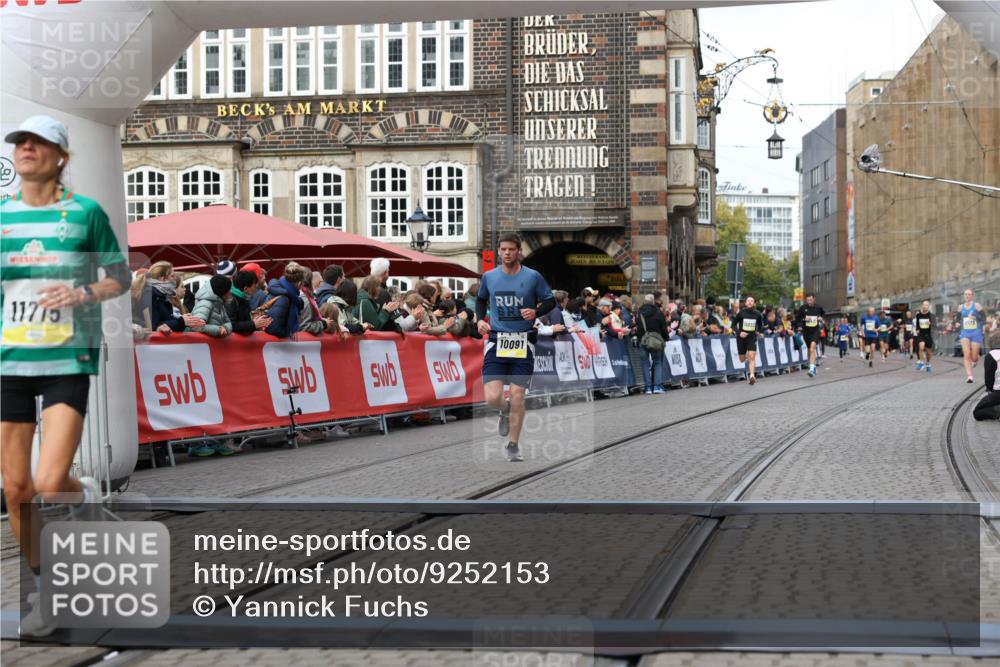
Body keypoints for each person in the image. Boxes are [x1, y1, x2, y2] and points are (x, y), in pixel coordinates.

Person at [1, 115, 133, 637]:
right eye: (19, 142)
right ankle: (48, 593)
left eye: (39, 143)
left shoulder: (85, 213)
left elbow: (119, 277)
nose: (26, 148)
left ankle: (88, 509)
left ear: (61, 157)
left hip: (66, 357)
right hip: (8, 363)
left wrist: (82, 294)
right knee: (15, 491)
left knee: (51, 481)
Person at [476, 232, 555, 463]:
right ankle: (503, 409)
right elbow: (481, 300)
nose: (507, 253)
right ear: (499, 251)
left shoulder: (533, 277)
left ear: (519, 251)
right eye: (503, 249)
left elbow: (549, 300)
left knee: (518, 397)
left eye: (512, 249)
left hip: (523, 343)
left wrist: (536, 311)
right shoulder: (489, 277)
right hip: (497, 341)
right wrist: (480, 320)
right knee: (492, 397)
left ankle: (513, 444)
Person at [263, 262, 307, 339]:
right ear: (299, 283)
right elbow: (274, 328)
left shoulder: (287, 294)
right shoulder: (285, 298)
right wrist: (288, 333)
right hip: (275, 347)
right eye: (303, 282)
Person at [636, 294, 668, 394]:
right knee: (657, 362)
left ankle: (648, 388)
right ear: (653, 302)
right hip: (656, 340)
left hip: (643, 339)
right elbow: (663, 327)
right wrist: (665, 338)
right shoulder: (658, 312)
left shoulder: (640, 312)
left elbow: (638, 327)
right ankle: (657, 386)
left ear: (644, 302)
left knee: (645, 364)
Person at [731, 295, 764, 385]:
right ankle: (749, 361)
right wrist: (739, 333)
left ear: (754, 303)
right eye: (748, 301)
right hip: (741, 338)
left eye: (751, 301)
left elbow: (760, 325)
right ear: (745, 303)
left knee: (752, 356)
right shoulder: (741, 313)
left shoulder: (758, 314)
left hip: (752, 337)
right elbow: (733, 325)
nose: (750, 302)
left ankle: (752, 376)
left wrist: (761, 332)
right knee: (742, 359)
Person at [227, 271, 271, 335]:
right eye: (254, 286)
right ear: (246, 288)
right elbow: (231, 325)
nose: (256, 289)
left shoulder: (244, 299)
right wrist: (253, 324)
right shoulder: (230, 300)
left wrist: (254, 320)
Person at [794, 293, 826, 377]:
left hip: (815, 331)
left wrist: (820, 318)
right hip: (806, 332)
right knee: (809, 350)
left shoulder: (818, 308)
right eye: (807, 300)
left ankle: (811, 369)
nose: (809, 302)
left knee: (812, 348)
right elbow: (797, 319)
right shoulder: (803, 308)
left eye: (811, 300)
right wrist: (804, 319)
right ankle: (813, 366)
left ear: (814, 299)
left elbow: (823, 314)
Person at [958, 288, 986, 383]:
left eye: (969, 294)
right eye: (965, 294)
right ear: (964, 295)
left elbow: (984, 318)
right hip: (964, 332)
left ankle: (975, 359)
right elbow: (958, 319)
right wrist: (957, 323)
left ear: (972, 296)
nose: (967, 296)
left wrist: (976, 317)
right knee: (966, 353)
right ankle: (970, 376)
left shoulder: (977, 305)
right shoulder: (961, 307)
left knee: (973, 356)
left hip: (976, 332)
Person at [973, 330, 1000, 421]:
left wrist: (991, 391)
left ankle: (997, 413)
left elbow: (989, 380)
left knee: (977, 411)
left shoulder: (991, 355)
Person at [914, 301, 935, 373]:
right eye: (923, 305)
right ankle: (921, 363)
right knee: (921, 347)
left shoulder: (931, 315)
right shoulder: (918, 315)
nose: (924, 306)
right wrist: (917, 330)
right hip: (921, 334)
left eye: (926, 305)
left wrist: (931, 324)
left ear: (928, 306)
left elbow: (935, 326)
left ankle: (928, 363)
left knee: (929, 352)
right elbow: (917, 324)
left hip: (928, 334)